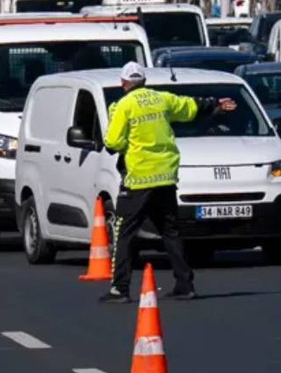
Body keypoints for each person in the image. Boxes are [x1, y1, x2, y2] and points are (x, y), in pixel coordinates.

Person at [99, 62, 237, 303]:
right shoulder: (161, 99)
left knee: (125, 233)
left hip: (139, 180)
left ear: (123, 84)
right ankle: (185, 284)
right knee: (170, 231)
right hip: (165, 177)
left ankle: (119, 289)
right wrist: (216, 104)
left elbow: (112, 142)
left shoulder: (124, 106)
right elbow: (189, 107)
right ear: (144, 81)